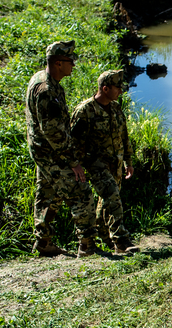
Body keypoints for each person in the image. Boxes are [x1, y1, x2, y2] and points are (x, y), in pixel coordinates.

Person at [24, 40, 99, 258]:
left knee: (47, 195)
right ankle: (87, 246)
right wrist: (73, 162)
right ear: (58, 63)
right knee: (81, 191)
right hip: (52, 153)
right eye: (70, 60)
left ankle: (43, 243)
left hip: (43, 151)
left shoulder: (42, 79)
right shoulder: (47, 90)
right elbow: (53, 133)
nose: (73, 65)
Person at [70, 69, 139, 254]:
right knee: (113, 196)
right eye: (118, 88)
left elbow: (124, 137)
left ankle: (105, 239)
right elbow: (74, 142)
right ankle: (121, 241)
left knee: (107, 203)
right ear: (105, 88)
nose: (121, 91)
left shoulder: (116, 108)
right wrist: (75, 165)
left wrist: (128, 161)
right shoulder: (84, 111)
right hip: (95, 165)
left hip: (115, 165)